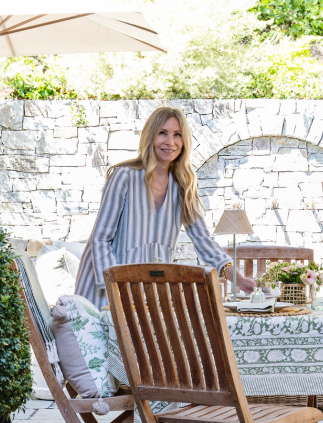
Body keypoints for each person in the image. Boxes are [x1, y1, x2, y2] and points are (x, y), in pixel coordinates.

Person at [73, 105, 255, 306]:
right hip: (104, 289)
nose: (170, 142)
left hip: (146, 290)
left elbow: (203, 241)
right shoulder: (124, 177)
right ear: (150, 136)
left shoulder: (183, 186)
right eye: (163, 133)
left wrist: (238, 278)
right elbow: (100, 238)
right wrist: (116, 286)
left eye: (177, 135)